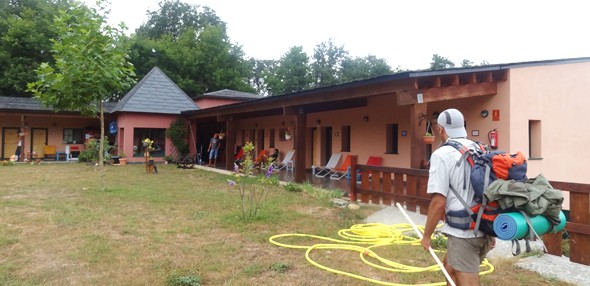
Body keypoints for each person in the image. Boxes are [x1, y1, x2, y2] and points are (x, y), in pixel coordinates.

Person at [420, 108, 495, 286]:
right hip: (483, 227)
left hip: (464, 233)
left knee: (465, 280)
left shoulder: (442, 154)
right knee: (450, 268)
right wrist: (493, 229)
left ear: (440, 129)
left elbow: (438, 202)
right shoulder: (480, 148)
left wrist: (427, 235)